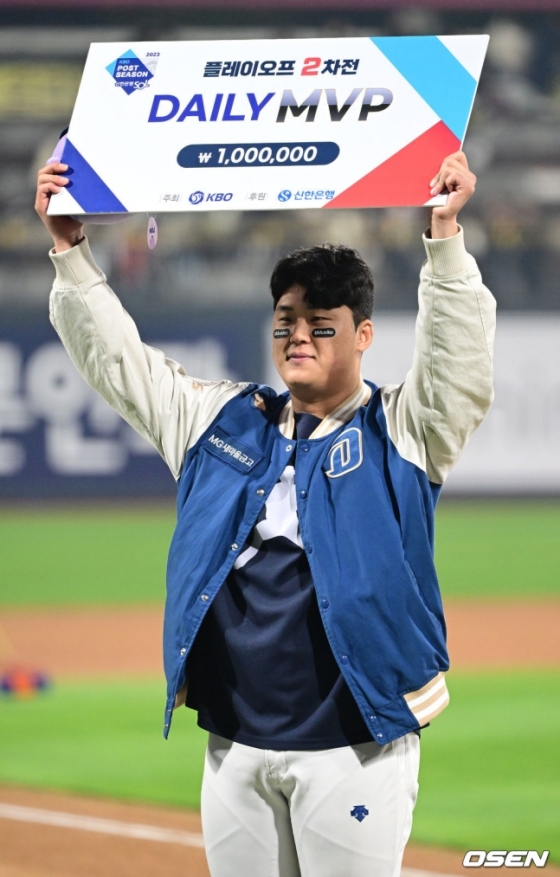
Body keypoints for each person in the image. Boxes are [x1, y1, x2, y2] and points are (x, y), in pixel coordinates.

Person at [36, 151, 495, 877]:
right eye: (286, 322)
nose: (298, 337)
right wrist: (70, 248)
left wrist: (444, 239)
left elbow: (458, 367)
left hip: (353, 747)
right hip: (235, 743)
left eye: (321, 324)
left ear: (363, 334)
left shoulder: (403, 430)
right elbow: (120, 362)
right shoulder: (220, 421)